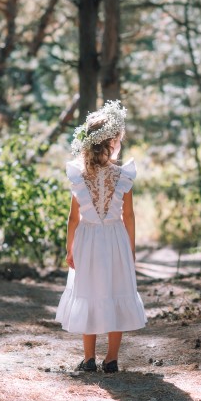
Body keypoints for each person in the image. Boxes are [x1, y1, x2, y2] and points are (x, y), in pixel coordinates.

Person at [55, 100, 147, 373]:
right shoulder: (123, 175)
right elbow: (128, 216)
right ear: (113, 142)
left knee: (90, 293)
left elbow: (74, 218)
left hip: (88, 240)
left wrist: (69, 249)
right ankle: (112, 360)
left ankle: (89, 359)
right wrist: (130, 249)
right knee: (116, 291)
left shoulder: (79, 175)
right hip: (116, 239)